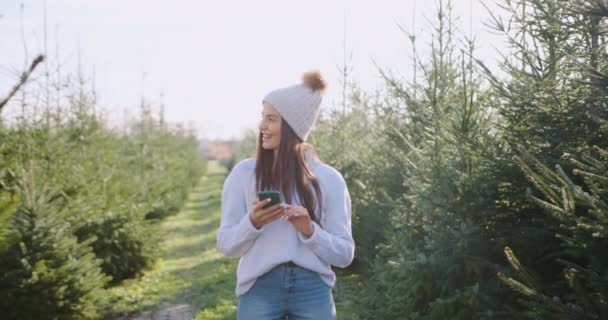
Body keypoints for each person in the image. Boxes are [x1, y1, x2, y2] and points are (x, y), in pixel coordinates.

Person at [216, 70, 355, 320]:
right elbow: (226, 245)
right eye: (262, 117)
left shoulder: (329, 180)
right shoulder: (244, 174)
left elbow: (344, 255)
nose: (262, 127)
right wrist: (253, 222)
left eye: (271, 119)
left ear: (291, 127)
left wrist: (310, 231)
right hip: (259, 287)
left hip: (313, 289)